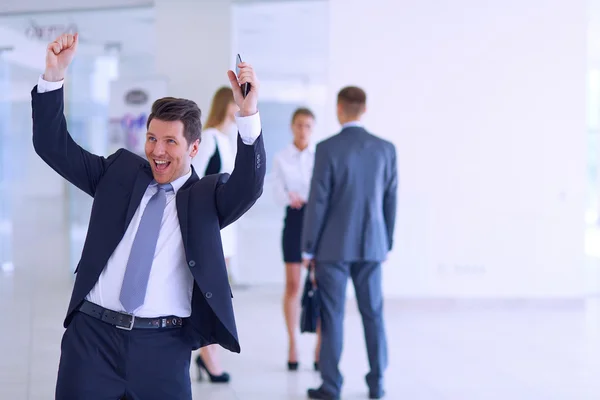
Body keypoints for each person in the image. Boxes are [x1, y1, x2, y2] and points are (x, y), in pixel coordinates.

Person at [32, 33, 266, 400]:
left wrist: (248, 115)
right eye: (152, 138)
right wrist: (53, 77)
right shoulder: (119, 173)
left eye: (170, 141)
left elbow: (249, 185)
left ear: (194, 146)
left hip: (163, 348)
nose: (157, 151)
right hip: (92, 341)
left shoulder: (207, 197)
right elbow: (53, 146)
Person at [302, 87, 397, 400]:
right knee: (374, 314)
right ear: (364, 109)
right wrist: (387, 242)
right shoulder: (385, 149)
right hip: (373, 245)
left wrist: (308, 246)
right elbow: (390, 199)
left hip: (332, 247)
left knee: (333, 316)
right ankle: (377, 383)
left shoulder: (328, 148)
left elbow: (318, 202)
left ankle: (331, 386)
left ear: (340, 108)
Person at [190, 87, 240, 383]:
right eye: (236, 104)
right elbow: (196, 179)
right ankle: (210, 358)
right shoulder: (208, 137)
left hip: (225, 224)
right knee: (209, 293)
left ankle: (207, 354)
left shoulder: (230, 139)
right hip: (210, 224)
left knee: (217, 292)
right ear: (225, 105)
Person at [272, 108, 321, 371]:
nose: (303, 130)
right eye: (299, 125)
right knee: (293, 286)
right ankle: (293, 344)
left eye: (308, 126)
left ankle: (320, 347)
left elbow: (324, 192)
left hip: (317, 224)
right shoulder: (281, 158)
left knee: (319, 284)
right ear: (292, 126)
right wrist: (291, 196)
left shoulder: (320, 156)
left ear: (313, 129)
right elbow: (278, 194)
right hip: (294, 220)